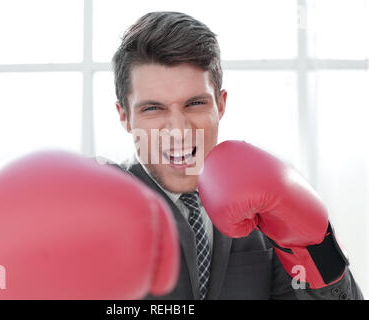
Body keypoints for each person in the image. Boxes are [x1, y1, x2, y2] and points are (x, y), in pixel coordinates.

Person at [112, 11, 363, 300]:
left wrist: (315, 247)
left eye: (194, 104)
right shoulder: (101, 208)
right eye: (153, 109)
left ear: (220, 105)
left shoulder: (264, 204)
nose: (178, 131)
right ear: (125, 116)